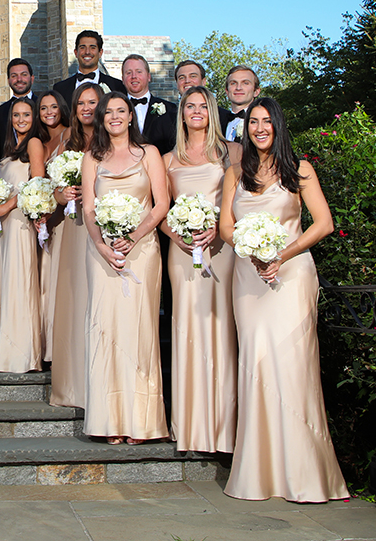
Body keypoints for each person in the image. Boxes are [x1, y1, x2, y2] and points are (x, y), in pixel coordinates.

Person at [219, 97, 348, 502]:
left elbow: (323, 223)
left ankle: (305, 474)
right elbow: (226, 226)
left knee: (293, 366)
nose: (259, 128)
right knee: (255, 364)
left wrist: (281, 254)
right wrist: (252, 252)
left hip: (290, 276)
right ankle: (259, 473)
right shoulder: (235, 173)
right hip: (248, 276)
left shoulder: (300, 170)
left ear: (277, 125)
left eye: (265, 121)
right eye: (252, 122)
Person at [80, 92, 169, 445]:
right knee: (106, 331)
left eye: (121, 111)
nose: (114, 116)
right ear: (101, 119)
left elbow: (161, 203)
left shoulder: (149, 154)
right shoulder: (92, 157)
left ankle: (142, 422)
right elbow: (89, 209)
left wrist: (132, 236)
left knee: (139, 331)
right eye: (108, 112)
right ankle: (109, 420)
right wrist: (102, 245)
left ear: (131, 117)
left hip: (142, 251)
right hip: (101, 254)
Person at [160, 85, 240, 454]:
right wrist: (174, 234)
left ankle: (224, 431)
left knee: (221, 329)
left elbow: (244, 201)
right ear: (182, 113)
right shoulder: (167, 159)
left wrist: (219, 226)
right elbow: (158, 209)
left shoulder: (231, 153)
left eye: (202, 106)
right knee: (187, 327)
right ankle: (190, 428)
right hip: (182, 253)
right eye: (189, 106)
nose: (196, 111)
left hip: (220, 248)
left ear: (212, 111)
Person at [0, 97, 46, 373]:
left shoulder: (33, 143)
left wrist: (7, 205)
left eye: (26, 115)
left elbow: (38, 182)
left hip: (19, 221)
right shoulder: (10, 148)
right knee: (4, 281)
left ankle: (22, 354)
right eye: (16, 115)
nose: (21, 119)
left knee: (20, 281)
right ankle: (1, 353)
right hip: (2, 226)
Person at [48, 81, 102, 408]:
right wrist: (63, 194)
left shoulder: (113, 142)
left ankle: (98, 383)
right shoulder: (68, 144)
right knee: (74, 297)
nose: (86, 108)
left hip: (101, 228)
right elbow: (54, 190)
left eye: (92, 102)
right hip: (73, 226)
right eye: (81, 103)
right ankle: (71, 386)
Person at [36, 90, 69, 363]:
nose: (49, 111)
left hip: (65, 216)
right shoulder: (40, 141)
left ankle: (60, 346)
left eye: (53, 106)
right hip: (45, 219)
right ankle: (46, 345)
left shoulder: (71, 135)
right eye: (44, 107)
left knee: (59, 280)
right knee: (44, 281)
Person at [51, 30, 125, 106]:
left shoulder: (116, 86)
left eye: (92, 47)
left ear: (100, 53)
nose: (87, 52)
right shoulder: (60, 88)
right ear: (76, 53)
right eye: (82, 47)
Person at [122, 54, 177, 155]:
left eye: (139, 72)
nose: (134, 76)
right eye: (128, 72)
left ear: (149, 77)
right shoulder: (114, 111)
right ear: (122, 79)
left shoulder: (170, 109)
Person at [174, 60, 235, 130]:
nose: (187, 81)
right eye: (182, 77)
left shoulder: (224, 117)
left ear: (204, 81)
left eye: (193, 76)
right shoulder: (167, 119)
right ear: (177, 84)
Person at [0, 58, 36, 152]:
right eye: (14, 76)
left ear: (32, 78)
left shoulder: (42, 106)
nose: (19, 79)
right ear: (8, 80)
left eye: (24, 75)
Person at [223, 65, 261, 142]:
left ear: (256, 91)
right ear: (227, 91)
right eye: (233, 83)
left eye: (245, 83)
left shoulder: (263, 123)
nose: (238, 88)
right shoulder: (217, 122)